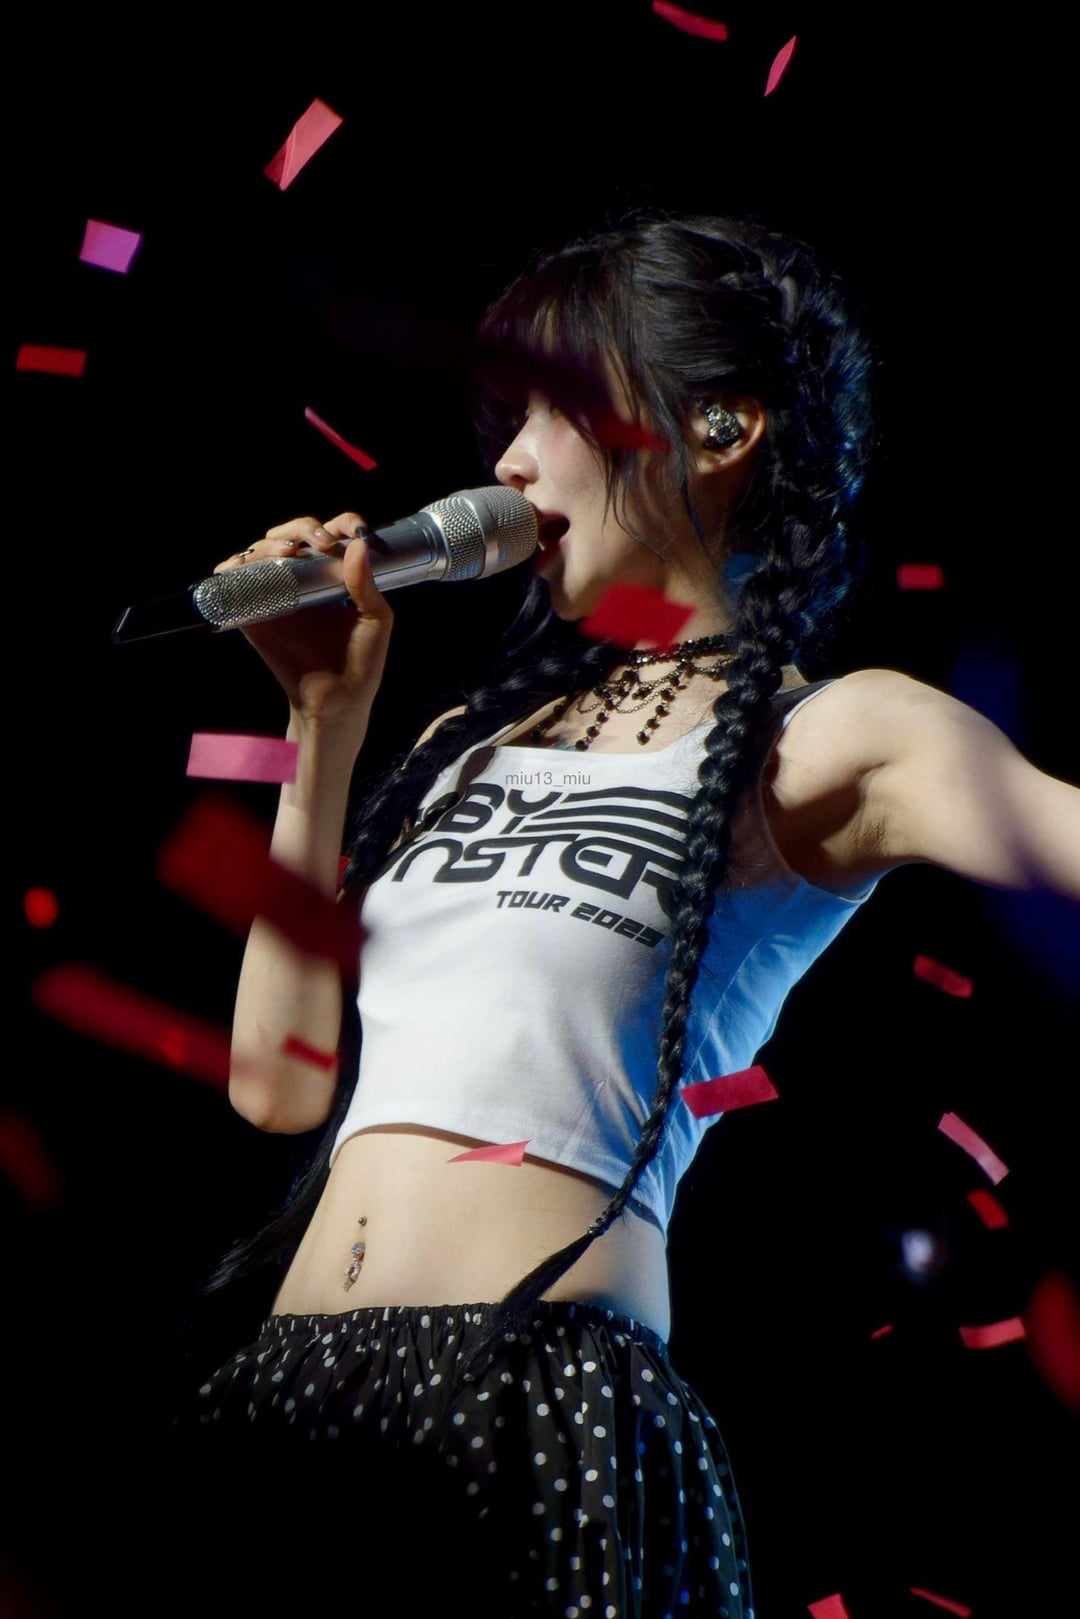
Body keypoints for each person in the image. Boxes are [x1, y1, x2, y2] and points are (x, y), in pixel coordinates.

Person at [165, 213, 1079, 1618]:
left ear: (719, 429)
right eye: (506, 422)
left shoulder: (837, 738)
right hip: (292, 1404)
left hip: (530, 1402)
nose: (510, 464)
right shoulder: (466, 745)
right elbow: (275, 1086)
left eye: (553, 408)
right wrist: (322, 728)